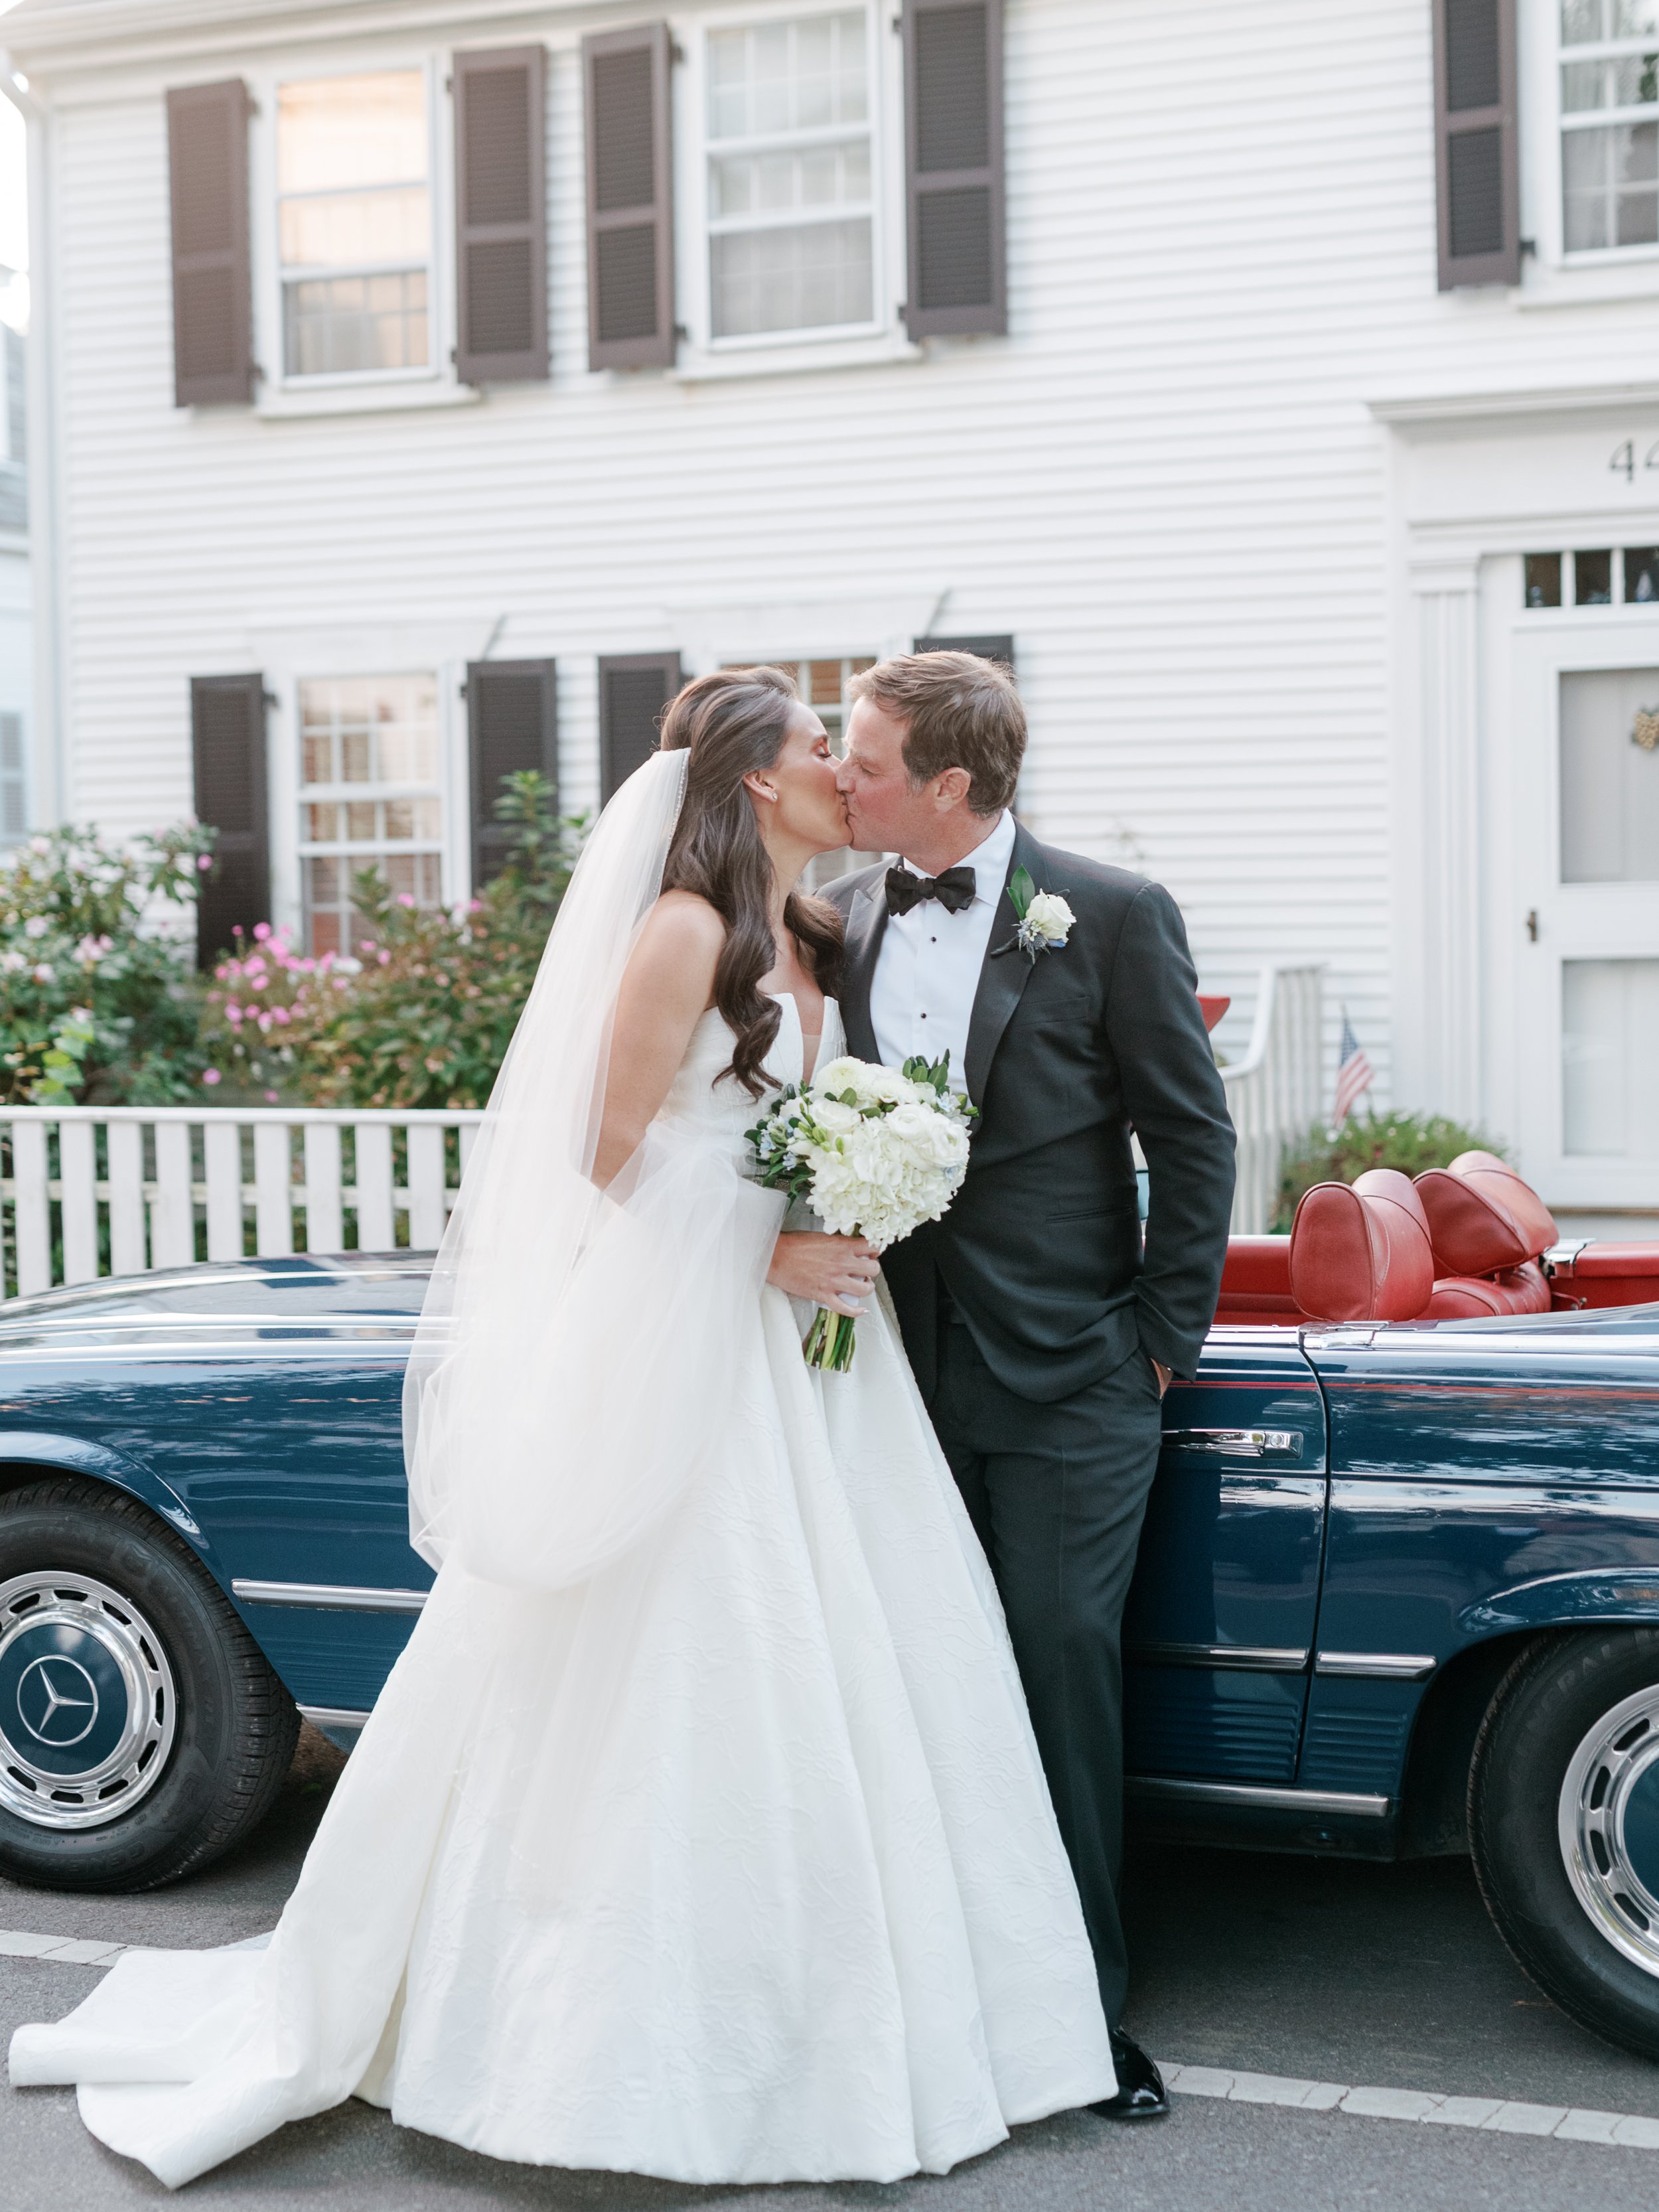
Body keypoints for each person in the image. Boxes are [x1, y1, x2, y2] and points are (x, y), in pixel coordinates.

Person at [9, 668, 1114, 2187]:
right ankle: (600, 2046)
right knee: (684, 1670)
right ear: (745, 783)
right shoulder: (682, 932)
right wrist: (767, 1247)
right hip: (703, 1349)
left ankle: (886, 2008)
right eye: (815, 750)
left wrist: (854, 1192)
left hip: (816, 1373)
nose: (838, 774)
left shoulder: (815, 930)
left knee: (876, 1662)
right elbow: (592, 1160)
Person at [826, 650, 1236, 2122]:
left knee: (1059, 1669)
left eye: (863, 758)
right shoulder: (843, 912)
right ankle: (933, 1998)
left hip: (1073, 1377)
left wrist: (1155, 1340)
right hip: (883, 1374)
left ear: (949, 782)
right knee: (915, 1674)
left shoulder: (1110, 915)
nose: (837, 776)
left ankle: (1080, 2016)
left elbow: (1193, 1140)